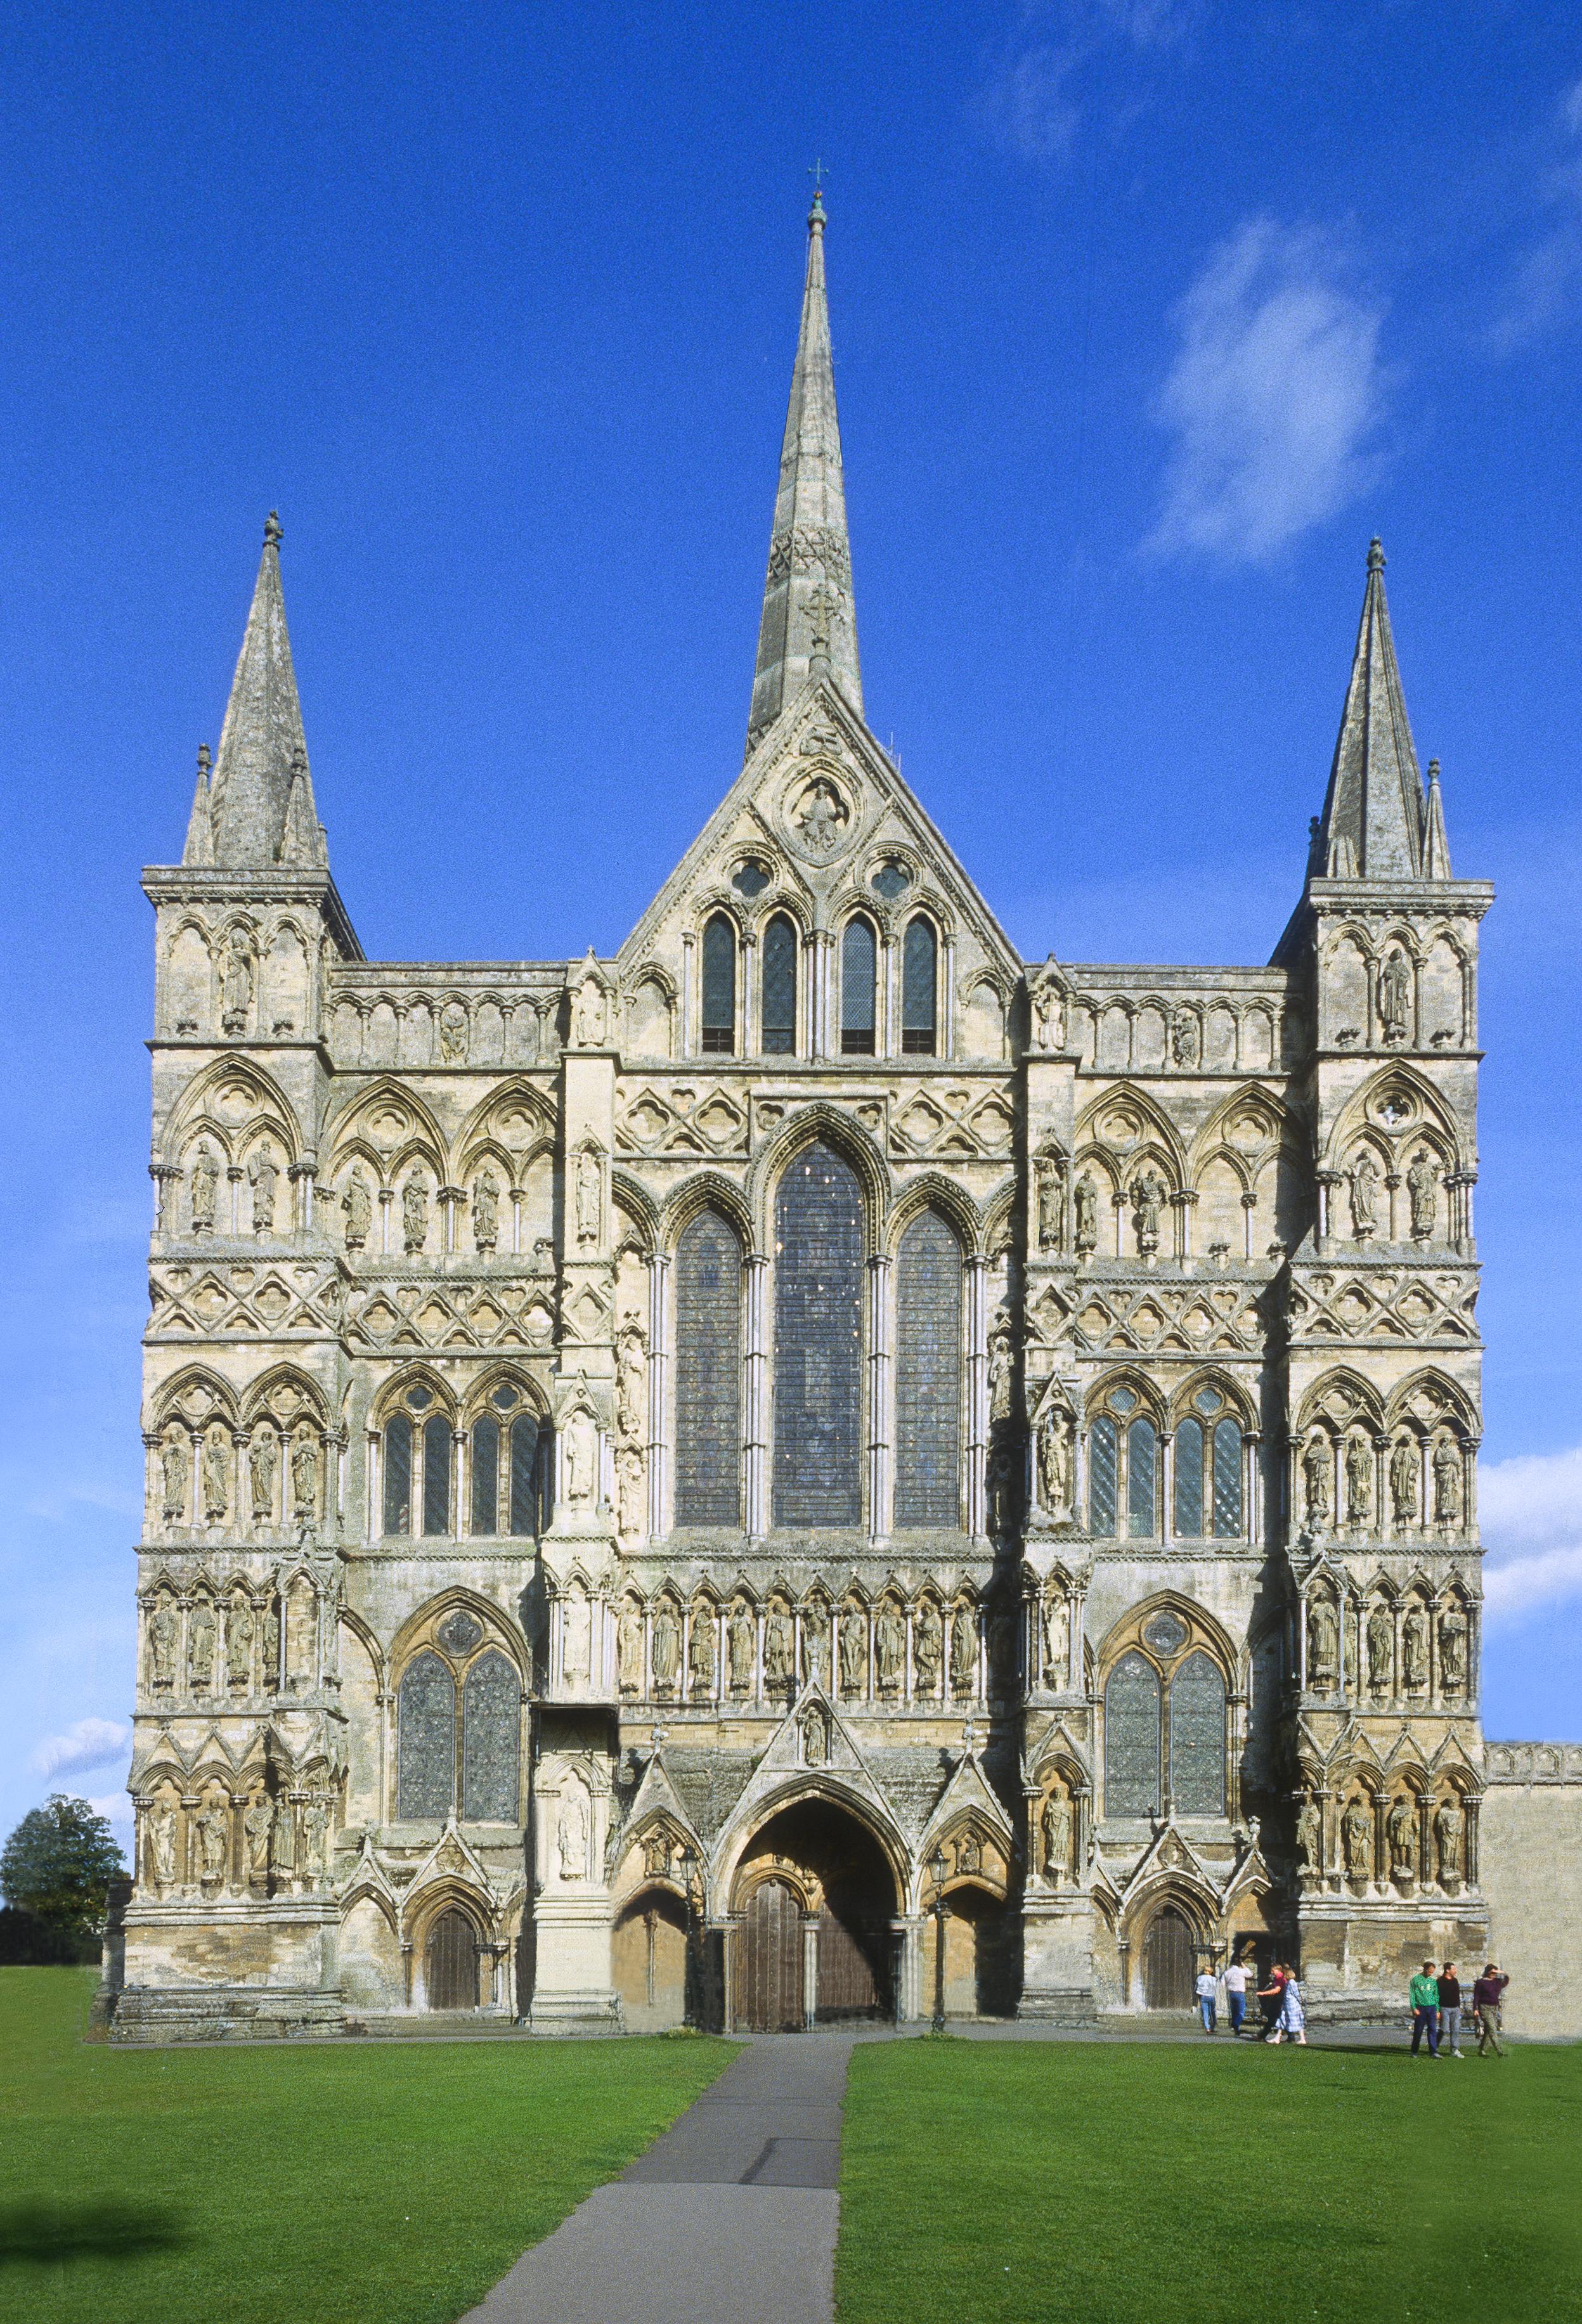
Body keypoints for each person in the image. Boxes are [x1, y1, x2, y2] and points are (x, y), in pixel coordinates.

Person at [1472, 1963, 1509, 2056]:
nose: (1494, 1974)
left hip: (1495, 2007)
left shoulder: (1497, 1981)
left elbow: (1507, 1980)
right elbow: (1476, 1996)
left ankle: (1482, 2050)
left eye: (1495, 1973)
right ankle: (1499, 2050)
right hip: (1484, 2007)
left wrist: (1503, 1972)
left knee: (1489, 2029)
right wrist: (1475, 2009)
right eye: (1492, 1972)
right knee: (1492, 2028)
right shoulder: (1481, 1982)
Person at [1410, 1959, 1441, 2056]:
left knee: (1432, 2030)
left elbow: (1436, 1995)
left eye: (1432, 1972)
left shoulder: (1433, 1981)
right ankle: (1414, 2051)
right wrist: (1414, 2008)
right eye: (1429, 1971)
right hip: (1420, 2007)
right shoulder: (1416, 1980)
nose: (1431, 1973)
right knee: (1418, 2030)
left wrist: (1437, 2010)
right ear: (1425, 1969)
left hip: (1431, 2007)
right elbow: (1412, 1995)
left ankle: (1433, 2051)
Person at [1437, 1961, 1465, 2057]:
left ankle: (1455, 2050)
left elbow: (1457, 1995)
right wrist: (1437, 2010)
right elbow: (1436, 1996)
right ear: (1448, 1970)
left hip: (1455, 2009)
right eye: (1454, 1969)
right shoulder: (1440, 1981)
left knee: (1456, 2030)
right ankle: (1434, 2047)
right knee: (1444, 2029)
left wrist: (1459, 2006)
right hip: (1444, 2008)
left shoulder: (1455, 1981)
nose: (1455, 1971)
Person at [1257, 1961, 1286, 2039]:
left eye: (1273, 1971)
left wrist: (1263, 1993)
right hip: (1279, 2000)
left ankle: (1262, 2036)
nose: (1272, 1973)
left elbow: (1277, 1990)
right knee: (1278, 2018)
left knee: (1272, 2018)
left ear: (1278, 1970)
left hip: (1279, 2000)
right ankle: (1291, 2037)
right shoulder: (1278, 1978)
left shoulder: (1280, 1978)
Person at [1222, 1953, 1249, 2037]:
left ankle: (1235, 2029)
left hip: (1231, 1993)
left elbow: (1223, 1983)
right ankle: (1236, 2024)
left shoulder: (1227, 1972)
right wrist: (1243, 1964)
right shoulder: (1242, 1971)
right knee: (1241, 2011)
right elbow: (1250, 1973)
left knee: (1234, 2011)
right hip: (1240, 1993)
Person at [1195, 1965, 1218, 2034]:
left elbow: (1197, 1986)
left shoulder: (1199, 1978)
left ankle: (1207, 2028)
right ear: (1211, 1972)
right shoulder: (1213, 1979)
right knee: (1212, 2012)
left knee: (1205, 2012)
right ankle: (1213, 2026)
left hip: (1203, 1996)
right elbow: (1215, 1987)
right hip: (1211, 1996)